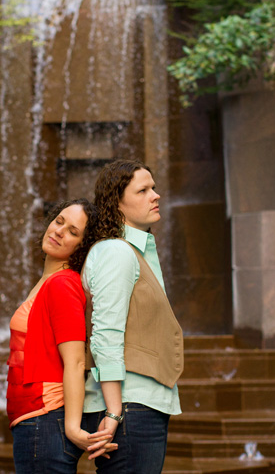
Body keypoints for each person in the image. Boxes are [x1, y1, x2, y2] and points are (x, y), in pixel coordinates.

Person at [81, 159, 184, 474]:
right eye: (143, 190)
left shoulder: (131, 250)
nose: (155, 195)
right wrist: (114, 413)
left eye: (153, 187)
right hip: (129, 407)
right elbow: (106, 334)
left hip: (137, 405)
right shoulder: (117, 252)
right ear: (118, 203)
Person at [7, 199, 116, 474]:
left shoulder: (63, 283)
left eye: (73, 232)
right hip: (32, 419)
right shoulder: (47, 282)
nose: (59, 231)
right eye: (59, 221)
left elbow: (76, 361)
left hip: (45, 418)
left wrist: (72, 427)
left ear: (82, 246)